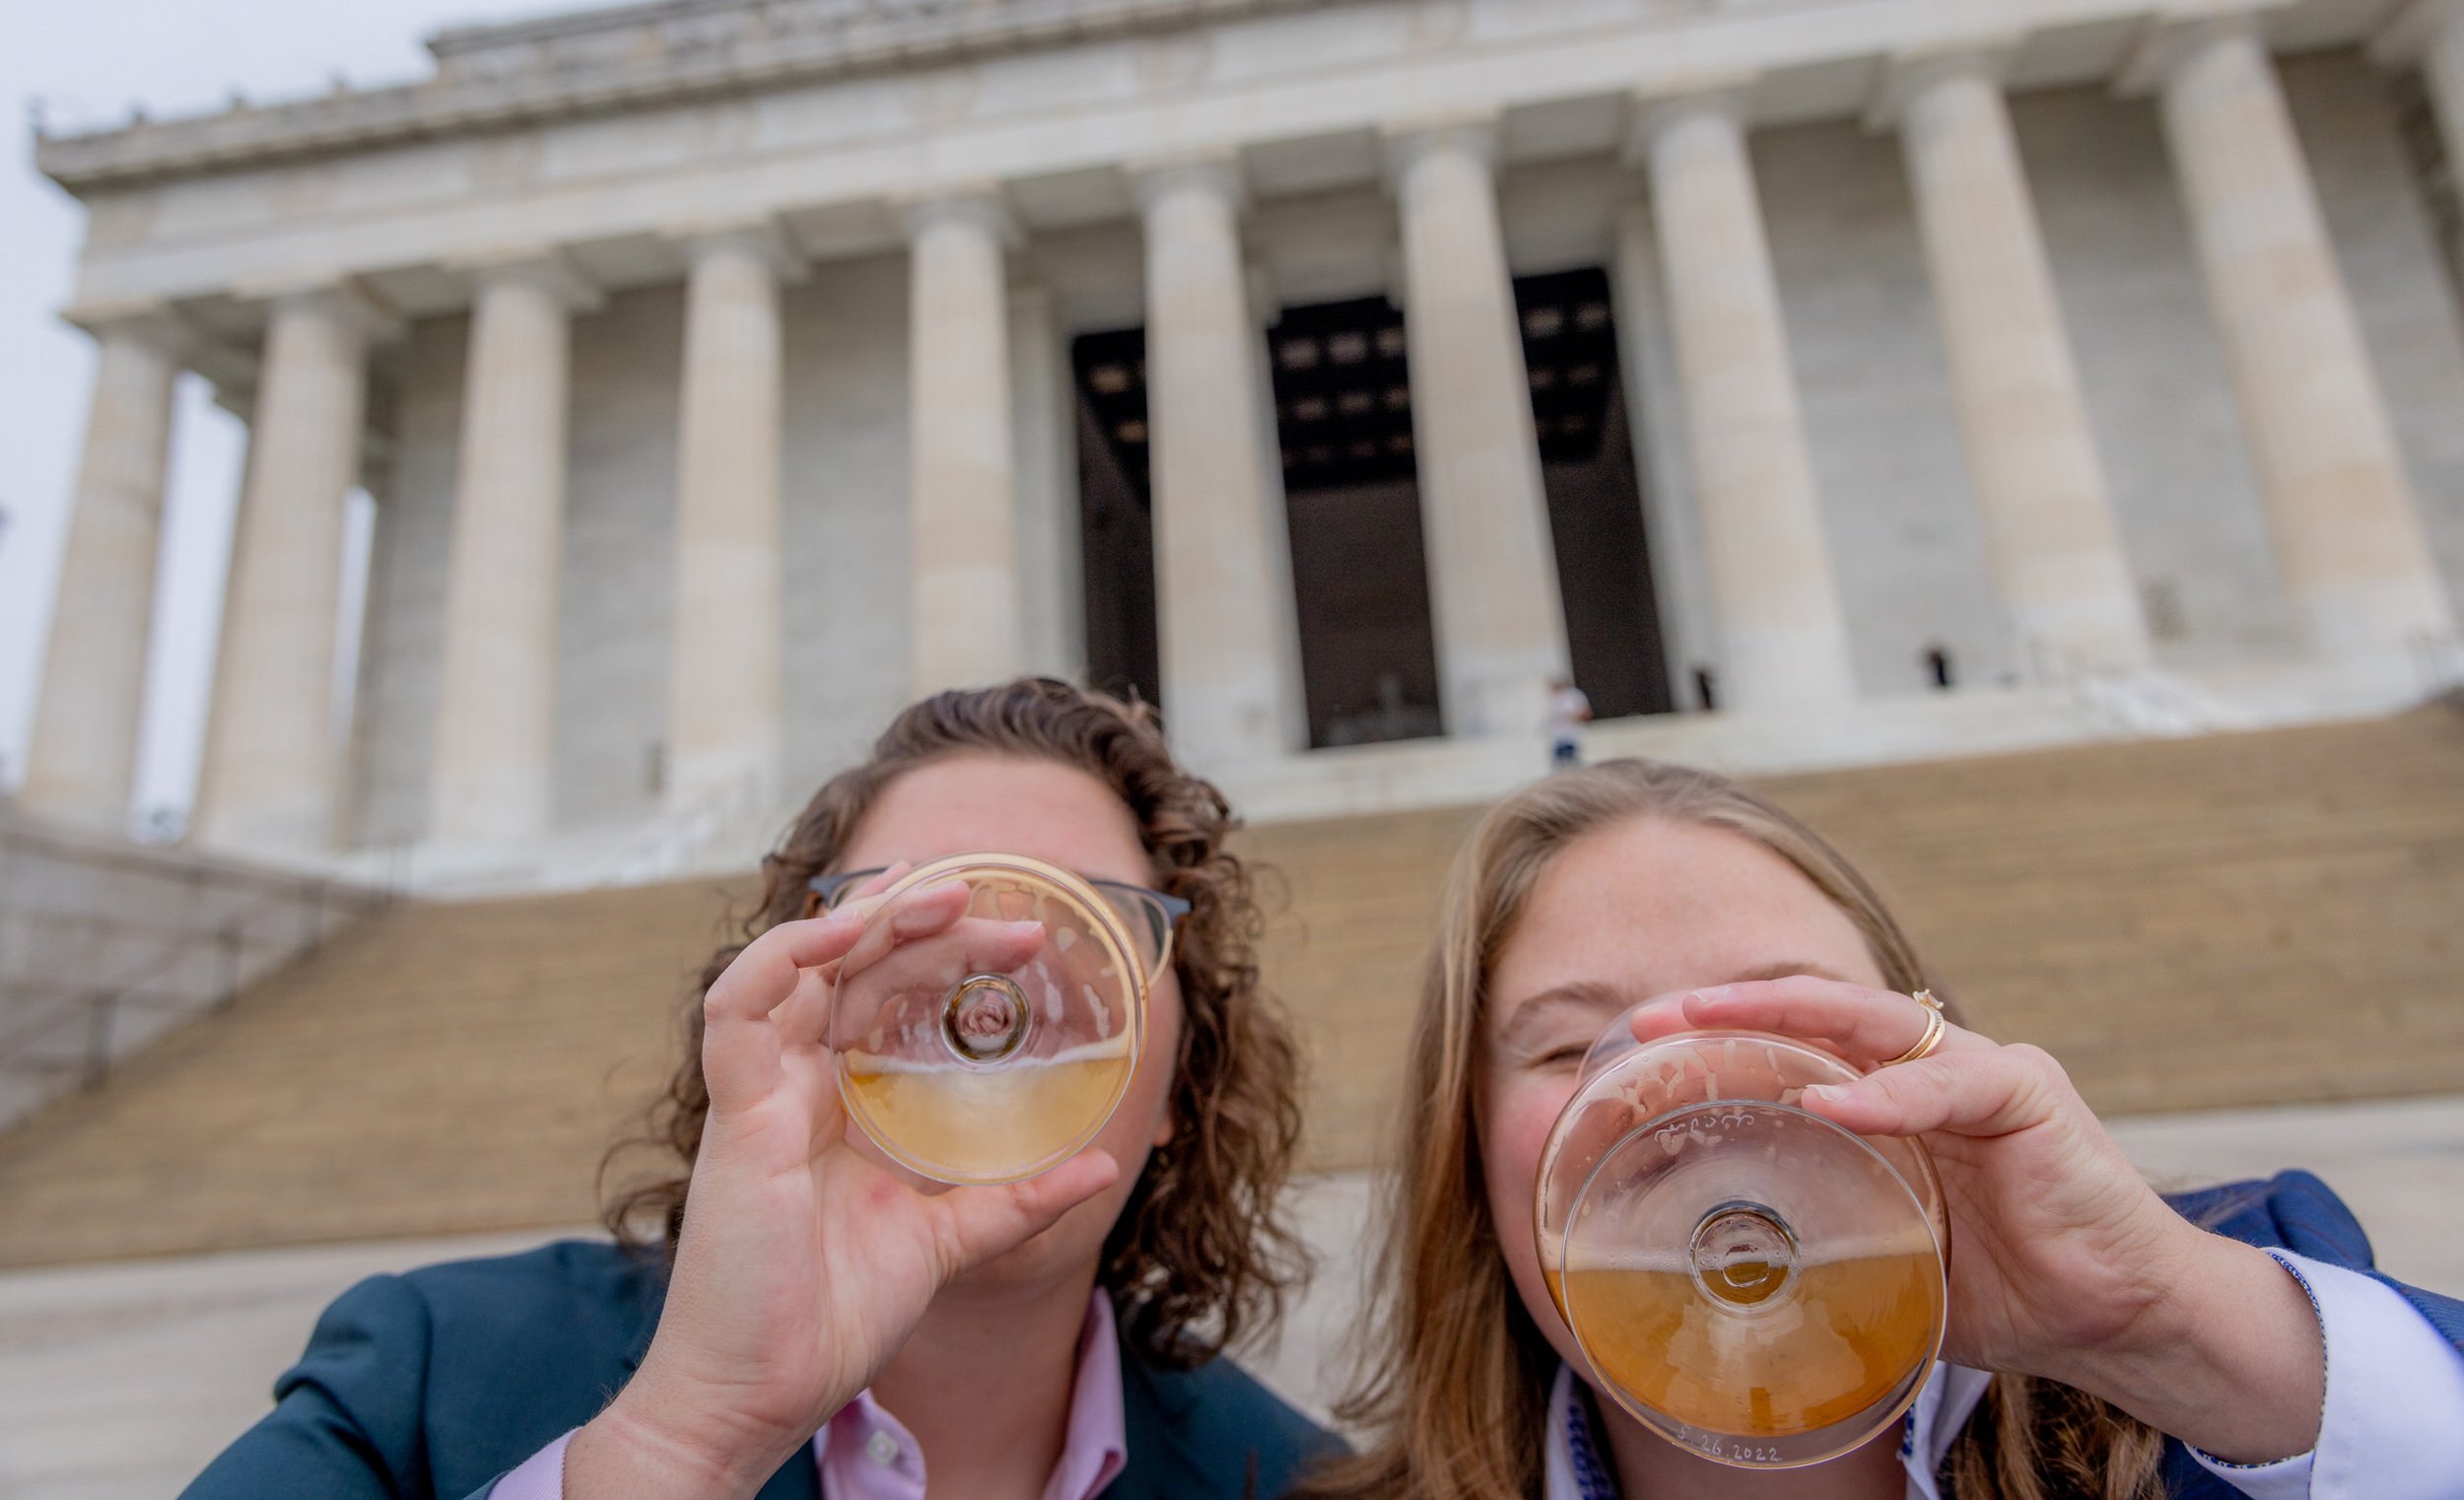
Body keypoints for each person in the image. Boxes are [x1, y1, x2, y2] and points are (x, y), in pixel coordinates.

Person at [184, 679, 1337, 1500]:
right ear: (794, 1007)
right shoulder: (428, 1373)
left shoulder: (1309, 1488)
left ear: (1184, 1078)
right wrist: (678, 1451)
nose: (998, 978)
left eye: (1086, 928)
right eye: (912, 917)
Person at [1302, 758, 2464, 1500]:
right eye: (1570, 1047)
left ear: (1933, 1057)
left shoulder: (2252, 1367)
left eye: (1786, 1017)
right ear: (1465, 1144)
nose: (1697, 1099)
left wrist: (2162, 1332)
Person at [1547, 678, 1593, 771]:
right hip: (1557, 739)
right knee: (1560, 767)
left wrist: (1571, 716)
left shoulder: (1573, 696)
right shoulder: (1553, 699)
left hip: (1571, 737)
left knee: (1572, 765)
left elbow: (1586, 714)